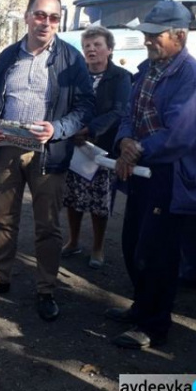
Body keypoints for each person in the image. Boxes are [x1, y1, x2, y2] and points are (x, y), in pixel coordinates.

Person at [0, 0, 95, 322]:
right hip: (7, 148)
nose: (47, 23)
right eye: (40, 15)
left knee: (48, 227)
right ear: (26, 16)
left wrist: (57, 128)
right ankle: (0, 277)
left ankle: (46, 289)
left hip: (48, 153)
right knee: (3, 219)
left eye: (54, 17)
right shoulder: (9, 56)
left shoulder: (70, 59)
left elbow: (86, 106)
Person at [107, 0, 196, 350]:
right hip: (142, 171)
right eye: (146, 33)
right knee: (133, 244)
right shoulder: (148, 68)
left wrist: (136, 149)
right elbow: (129, 111)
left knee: (157, 253)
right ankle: (142, 308)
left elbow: (179, 135)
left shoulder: (194, 76)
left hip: (170, 177)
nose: (147, 40)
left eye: (155, 35)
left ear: (180, 36)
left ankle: (153, 326)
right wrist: (125, 139)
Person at [61, 26, 131, 269]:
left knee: (99, 201)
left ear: (109, 49)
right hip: (74, 146)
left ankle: (98, 247)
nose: (91, 49)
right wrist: (71, 129)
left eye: (97, 45)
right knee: (73, 198)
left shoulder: (121, 77)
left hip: (102, 148)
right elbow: (66, 105)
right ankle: (73, 240)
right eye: (87, 45)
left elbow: (119, 111)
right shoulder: (76, 75)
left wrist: (89, 130)